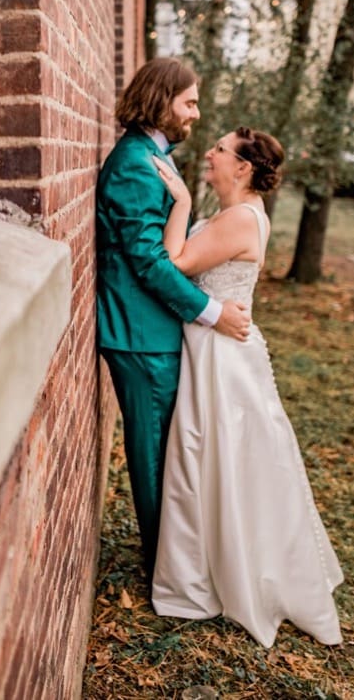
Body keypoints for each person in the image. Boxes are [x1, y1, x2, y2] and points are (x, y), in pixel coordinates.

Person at [149, 127, 344, 647]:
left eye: (220, 149)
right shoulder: (238, 212)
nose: (210, 154)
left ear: (243, 168)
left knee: (218, 457)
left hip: (221, 358)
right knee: (220, 458)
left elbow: (175, 264)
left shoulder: (240, 217)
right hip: (215, 345)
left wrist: (181, 201)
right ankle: (215, 560)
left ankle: (227, 570)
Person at [96, 58, 251, 579]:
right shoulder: (135, 164)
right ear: (161, 100)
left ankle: (178, 559)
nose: (196, 113)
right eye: (189, 102)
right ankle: (169, 572)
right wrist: (212, 313)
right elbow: (147, 260)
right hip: (139, 334)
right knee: (155, 457)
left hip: (154, 329)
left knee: (172, 452)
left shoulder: (152, 156)